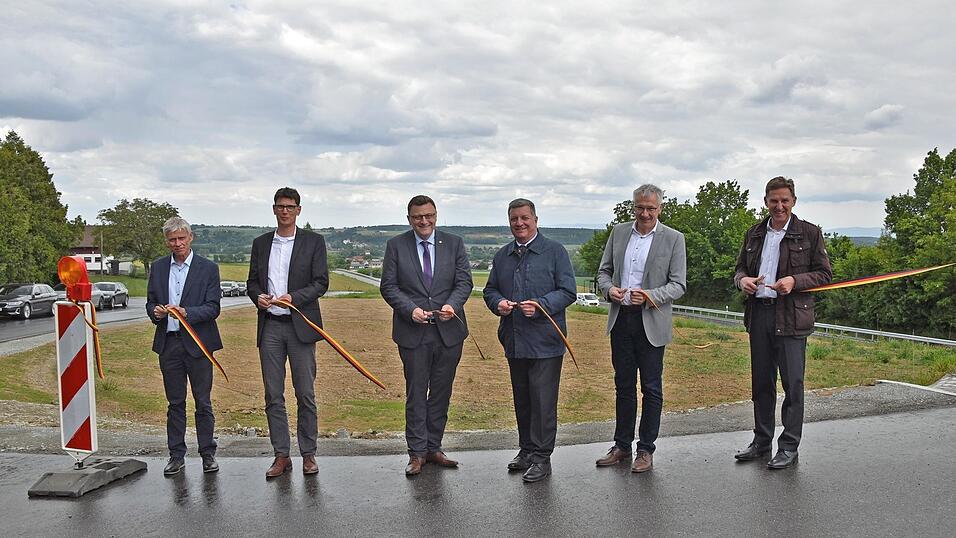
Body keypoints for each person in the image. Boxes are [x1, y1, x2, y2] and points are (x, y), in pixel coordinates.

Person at [733, 176, 831, 469]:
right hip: (759, 314)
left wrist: (794, 281)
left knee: (793, 385)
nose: (779, 206)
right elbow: (738, 270)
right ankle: (761, 442)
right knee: (761, 383)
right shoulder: (753, 233)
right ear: (765, 201)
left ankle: (789, 446)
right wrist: (743, 282)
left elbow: (824, 275)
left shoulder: (810, 233)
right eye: (773, 201)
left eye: (784, 201)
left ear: (793, 202)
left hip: (791, 316)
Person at [483, 198, 576, 483]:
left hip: (546, 341)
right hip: (514, 340)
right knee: (522, 399)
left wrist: (541, 305)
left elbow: (568, 291)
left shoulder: (555, 252)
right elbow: (490, 290)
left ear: (536, 219)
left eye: (525, 218)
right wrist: (498, 303)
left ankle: (542, 457)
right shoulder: (502, 256)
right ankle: (526, 451)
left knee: (543, 401)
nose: (519, 223)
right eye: (514, 219)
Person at [594, 184, 686, 473]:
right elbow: (603, 272)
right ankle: (622, 445)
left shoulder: (674, 238)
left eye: (650, 208)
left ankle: (645, 449)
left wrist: (650, 295)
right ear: (632, 206)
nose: (645, 213)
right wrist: (610, 291)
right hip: (621, 318)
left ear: (660, 208)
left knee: (651, 388)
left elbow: (678, 284)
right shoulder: (619, 232)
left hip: (651, 320)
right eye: (639, 207)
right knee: (623, 386)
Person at [380, 195, 473, 476]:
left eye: (429, 215)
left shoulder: (454, 243)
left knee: (442, 393)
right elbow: (389, 286)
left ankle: (434, 447)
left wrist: (452, 305)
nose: (424, 221)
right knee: (416, 393)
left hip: (449, 332)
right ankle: (417, 452)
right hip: (413, 332)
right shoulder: (396, 245)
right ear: (409, 219)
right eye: (418, 216)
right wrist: (411, 310)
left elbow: (464, 281)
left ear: (436, 215)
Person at [247, 187, 329, 478]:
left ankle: (308, 454)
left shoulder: (313, 242)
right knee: (273, 394)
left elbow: (321, 282)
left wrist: (295, 297)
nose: (285, 211)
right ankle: (281, 455)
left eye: (290, 206)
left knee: (305, 393)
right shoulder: (261, 243)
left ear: (298, 210)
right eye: (280, 206)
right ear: (273, 209)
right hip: (270, 325)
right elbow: (252, 283)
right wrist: (257, 296)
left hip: (300, 326)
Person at [146, 217, 223, 476]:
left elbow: (213, 308)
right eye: (172, 240)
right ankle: (176, 456)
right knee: (175, 403)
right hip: (169, 344)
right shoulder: (157, 268)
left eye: (181, 238)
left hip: (199, 345)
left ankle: (207, 454)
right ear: (166, 241)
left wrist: (186, 312)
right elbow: (150, 303)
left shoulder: (208, 268)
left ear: (191, 238)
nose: (177, 244)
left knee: (203, 403)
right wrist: (156, 312)